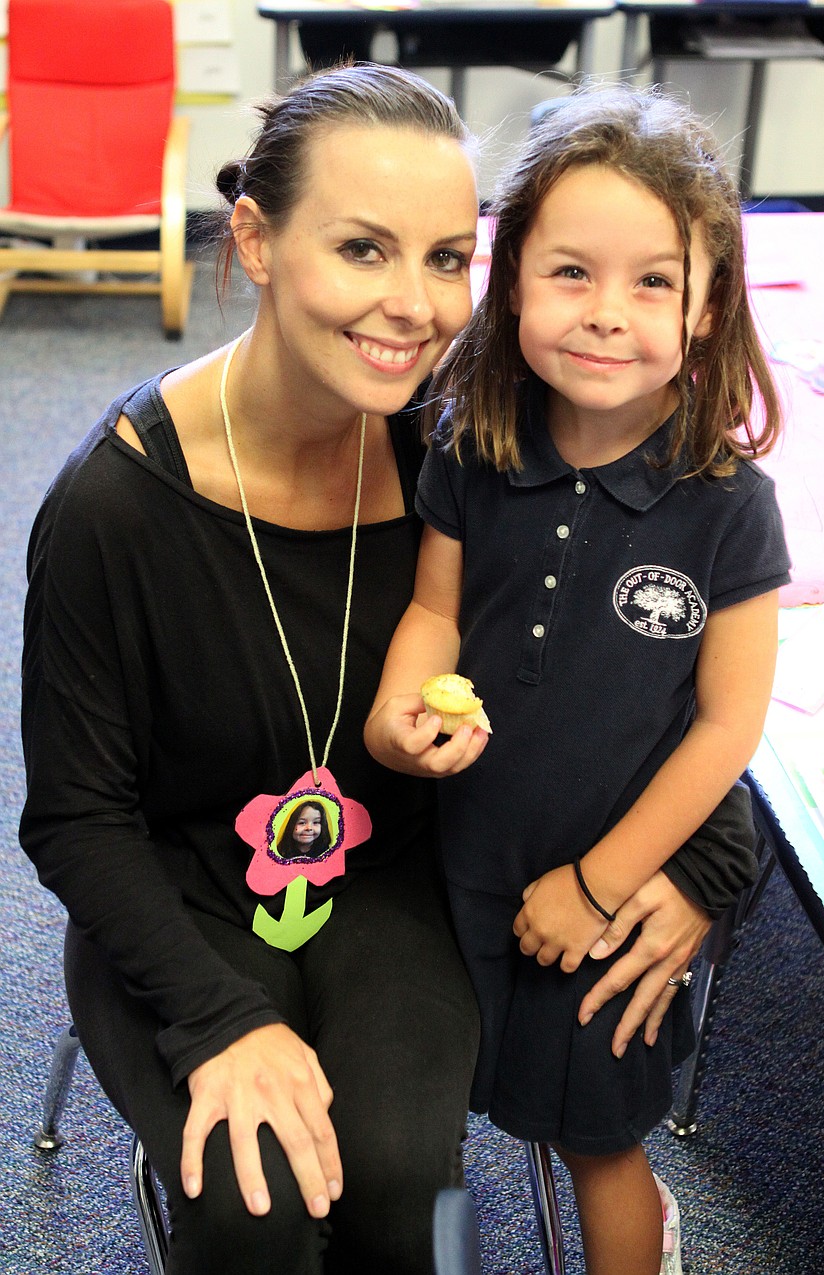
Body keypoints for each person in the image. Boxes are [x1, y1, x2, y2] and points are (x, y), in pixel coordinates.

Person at [20, 62, 757, 1275]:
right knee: (248, 1215)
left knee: (411, 1194)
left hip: (399, 874)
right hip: (181, 892)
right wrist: (218, 1020)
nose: (413, 308)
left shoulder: (467, 451)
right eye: (362, 249)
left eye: (446, 258)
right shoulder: (114, 508)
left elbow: (631, 670)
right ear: (255, 241)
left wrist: (701, 862)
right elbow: (75, 817)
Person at [365, 83, 790, 1275]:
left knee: (601, 1149)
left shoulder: (727, 508)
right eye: (570, 273)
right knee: (421, 1130)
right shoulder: (471, 441)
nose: (608, 315)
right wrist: (400, 712)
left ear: (706, 309)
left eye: (652, 281)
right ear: (512, 283)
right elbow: (434, 614)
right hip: (454, 867)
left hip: (608, 903)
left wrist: (601, 887)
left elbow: (726, 728)